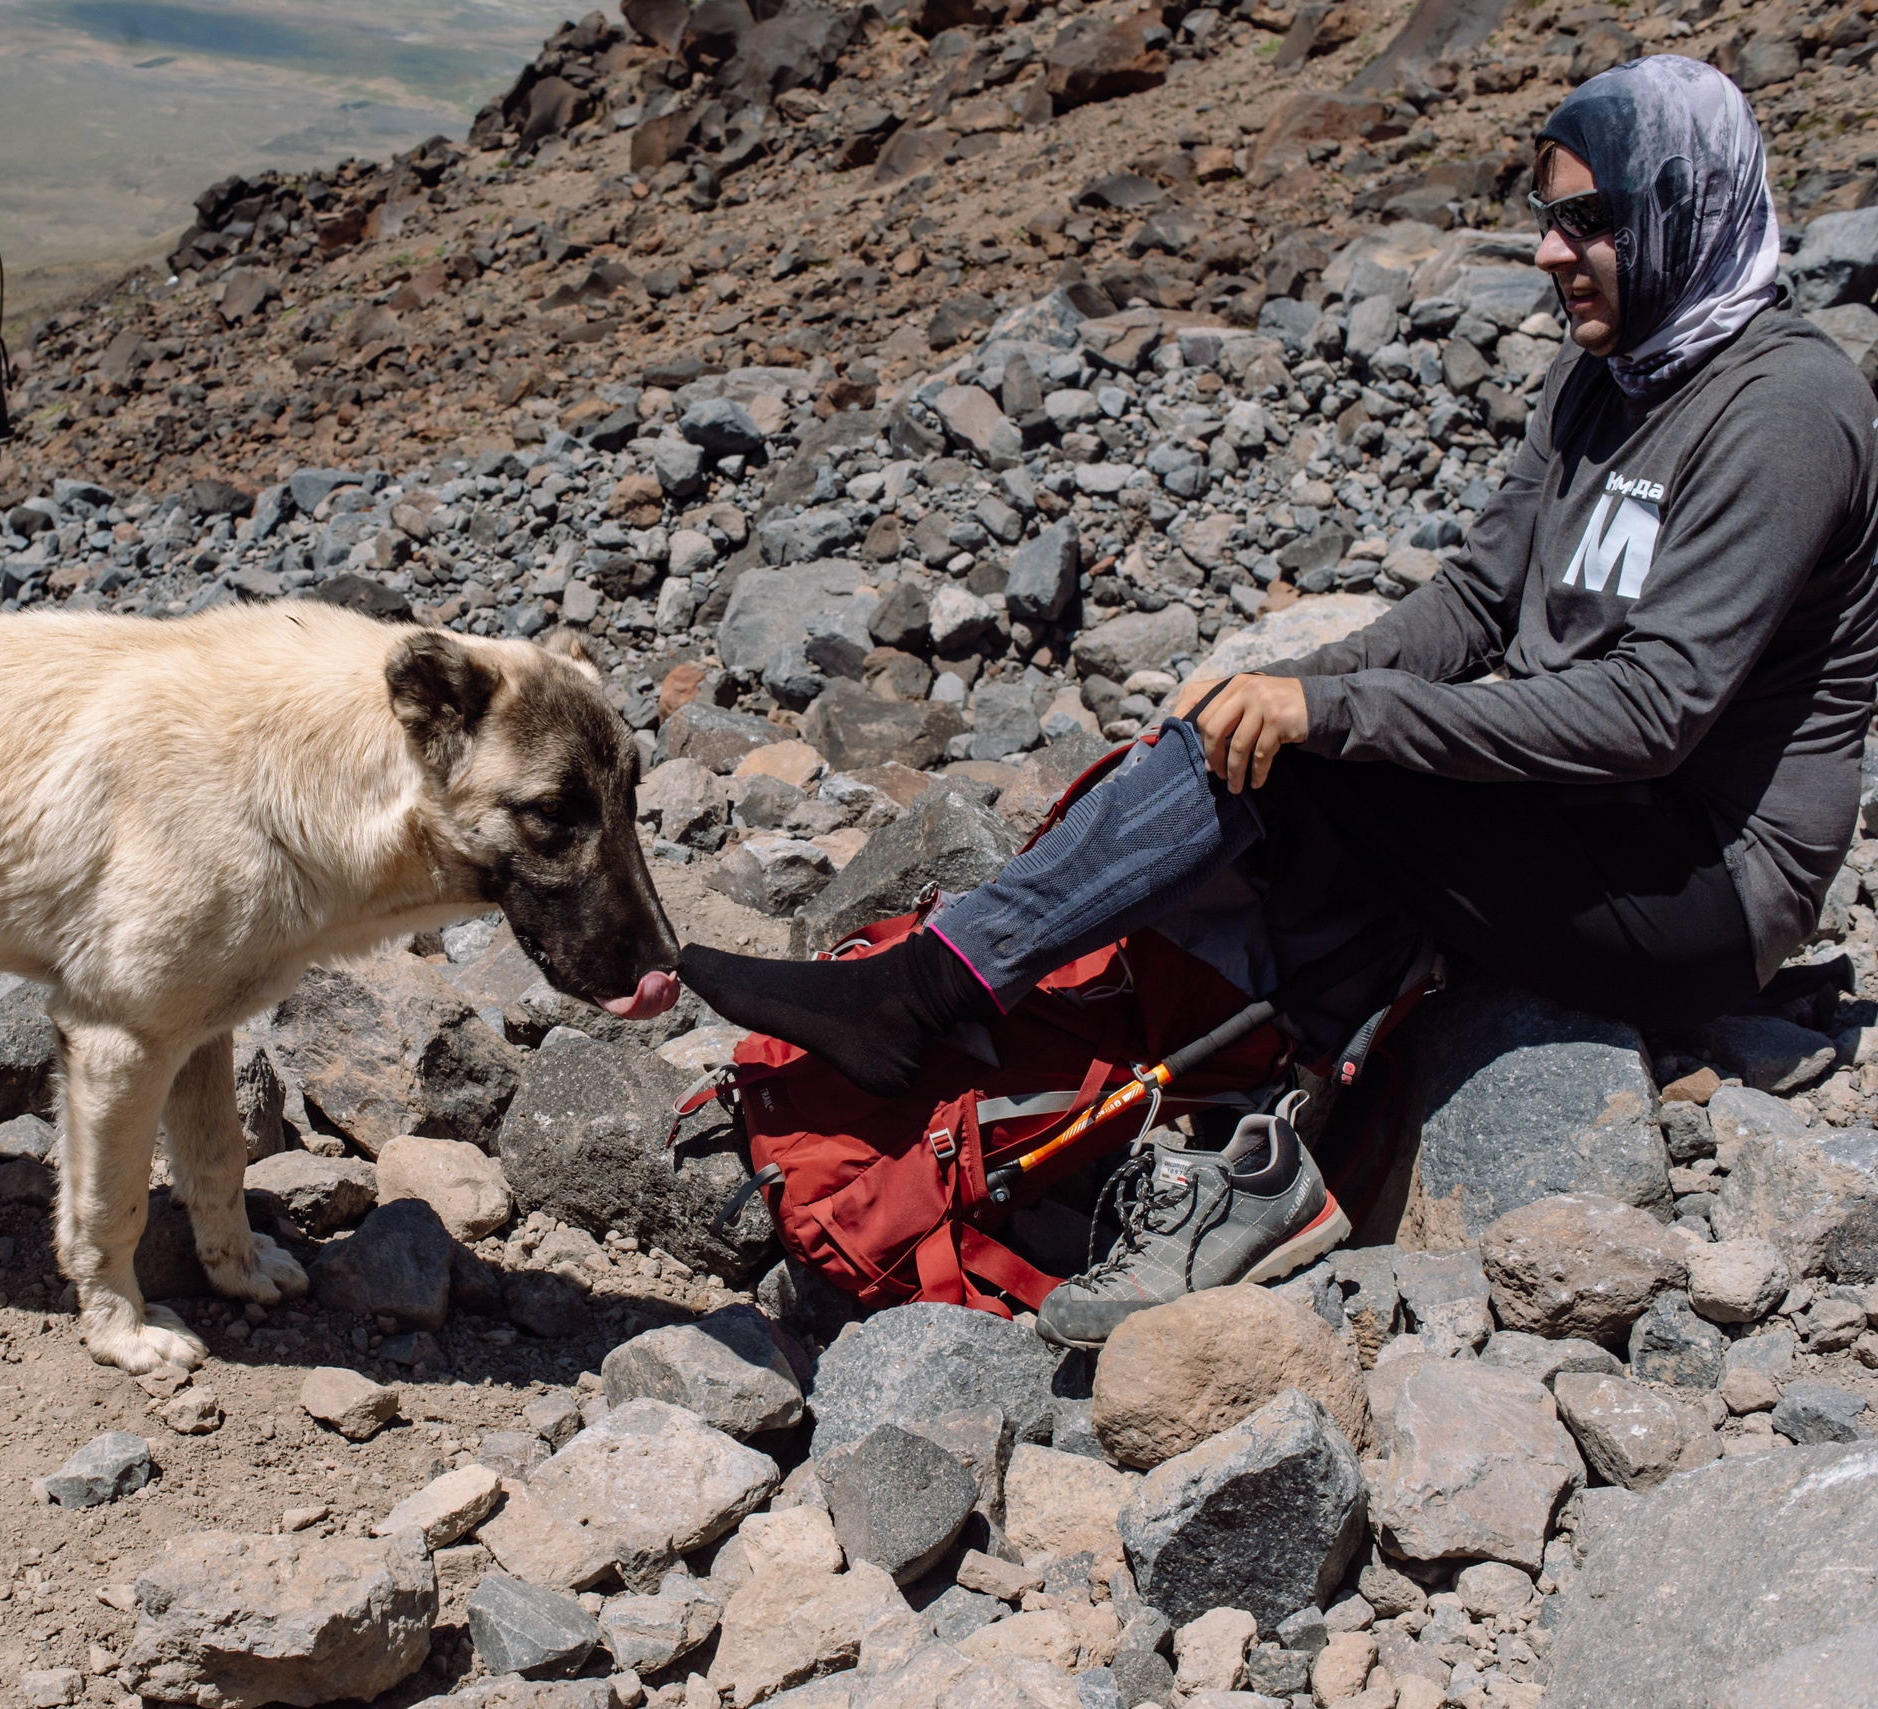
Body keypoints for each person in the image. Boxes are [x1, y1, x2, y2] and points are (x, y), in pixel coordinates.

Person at [682, 54, 1878, 1347]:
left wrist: (1333, 723)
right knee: (1251, 751)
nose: (1547, 252)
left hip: (1699, 875)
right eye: (1546, 217)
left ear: (1682, 211)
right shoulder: (1608, 375)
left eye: (1589, 222)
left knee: (1304, 771)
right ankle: (1052, 1051)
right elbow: (1471, 606)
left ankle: (929, 1001)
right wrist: (1276, 691)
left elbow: (1654, 712)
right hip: (1580, 811)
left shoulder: (1787, 408)